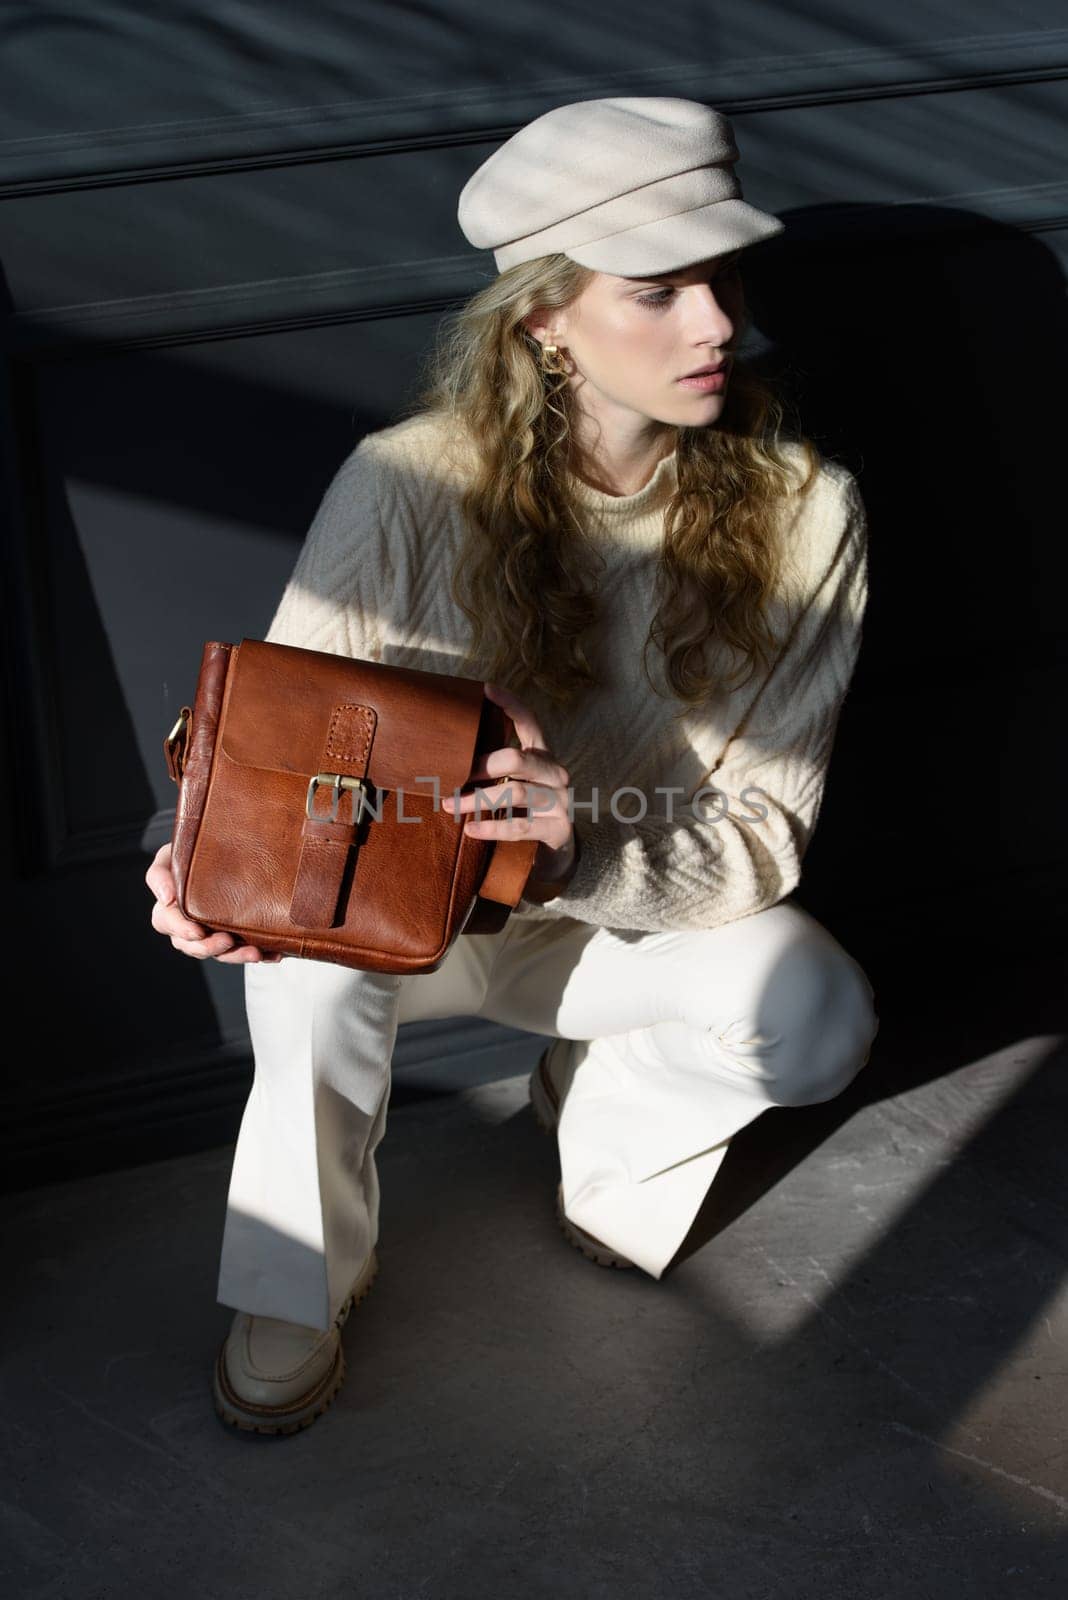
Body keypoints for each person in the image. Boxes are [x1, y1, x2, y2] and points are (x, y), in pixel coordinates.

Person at [145, 96, 880, 1436]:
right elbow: (278, 730)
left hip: (613, 918)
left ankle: (603, 1147)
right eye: (658, 291)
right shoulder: (411, 487)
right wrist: (191, 855)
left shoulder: (808, 511)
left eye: (721, 279)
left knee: (817, 1009)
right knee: (302, 967)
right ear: (544, 319)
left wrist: (581, 841)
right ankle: (296, 1277)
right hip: (409, 924)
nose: (717, 324)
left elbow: (767, 832)